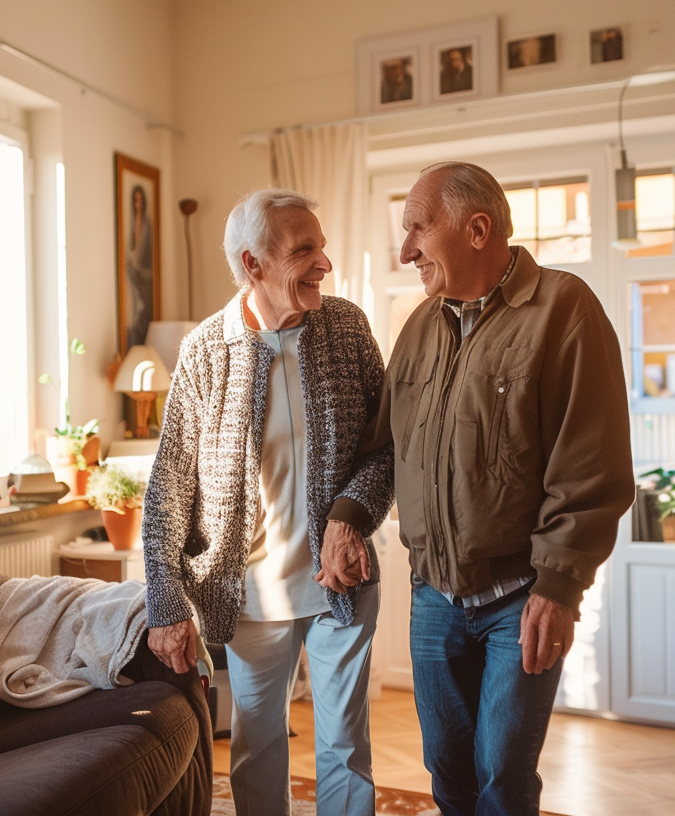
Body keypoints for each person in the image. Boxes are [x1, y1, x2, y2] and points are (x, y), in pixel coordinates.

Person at [385, 162, 634, 816]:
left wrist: (558, 589)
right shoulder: (418, 329)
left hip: (520, 598)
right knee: (449, 777)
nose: (405, 249)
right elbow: (386, 448)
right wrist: (350, 516)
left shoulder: (563, 309)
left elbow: (592, 464)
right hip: (432, 596)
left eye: (418, 227)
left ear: (476, 228)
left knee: (502, 780)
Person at [143, 188, 394, 816]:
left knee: (344, 746)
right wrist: (165, 597)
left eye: (322, 247)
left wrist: (347, 517)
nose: (323, 264)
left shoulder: (346, 328)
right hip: (250, 596)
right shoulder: (205, 351)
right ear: (253, 264)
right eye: (303, 250)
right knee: (258, 750)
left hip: (341, 582)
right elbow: (170, 482)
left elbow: (386, 448)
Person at [125, 184, 155, 351]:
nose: (138, 204)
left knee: (143, 306)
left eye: (140, 200)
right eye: (135, 200)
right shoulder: (131, 222)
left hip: (143, 274)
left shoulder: (147, 224)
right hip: (133, 272)